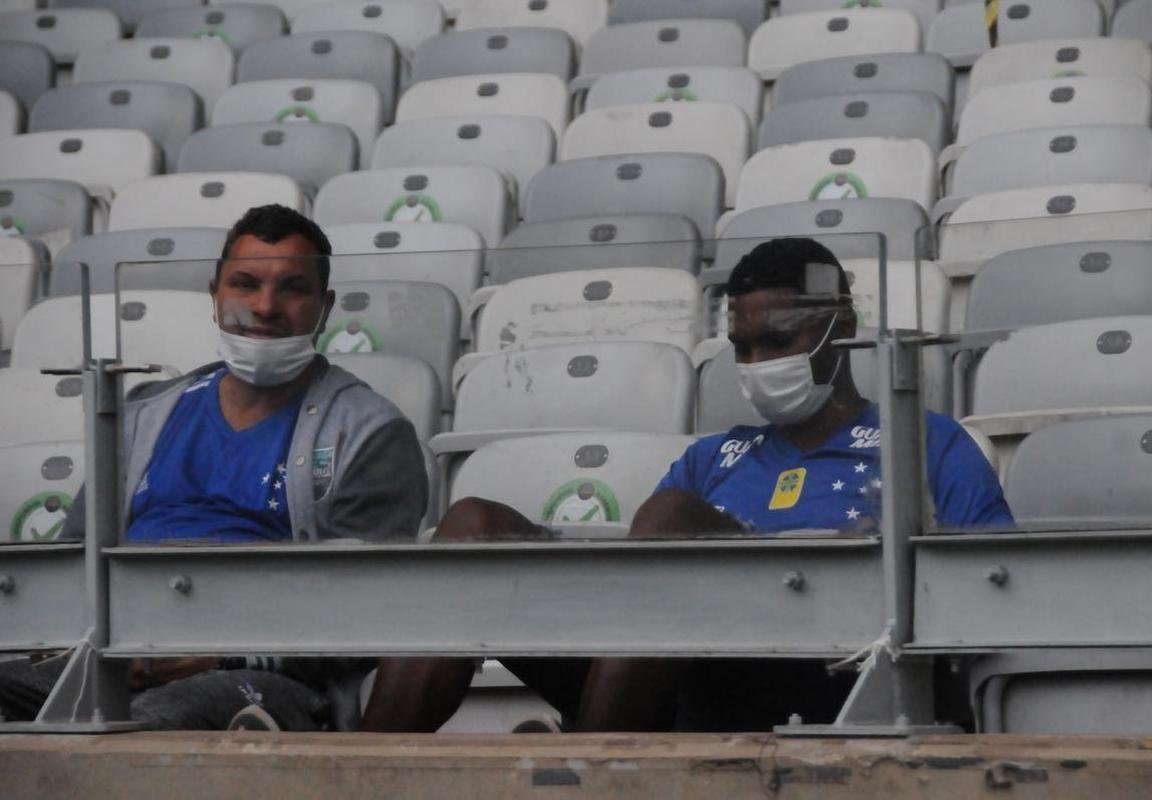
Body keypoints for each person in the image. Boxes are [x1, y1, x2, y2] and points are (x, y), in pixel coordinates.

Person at [360, 236, 1012, 733]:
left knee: (671, 518)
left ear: (841, 328)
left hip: (832, 683)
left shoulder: (922, 443)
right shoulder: (714, 457)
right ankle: (350, 774)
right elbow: (643, 604)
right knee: (473, 525)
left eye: (778, 340)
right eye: (743, 346)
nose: (758, 364)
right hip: (688, 679)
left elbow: (985, 605)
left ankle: (580, 766)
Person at [0, 204, 428, 731]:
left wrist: (223, 654)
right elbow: (72, 570)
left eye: (292, 288)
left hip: (257, 674)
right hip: (112, 655)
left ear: (325, 306)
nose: (265, 306)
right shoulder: (141, 415)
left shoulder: (369, 432)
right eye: (245, 284)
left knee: (150, 727)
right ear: (215, 295)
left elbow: (365, 614)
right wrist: (112, 643)